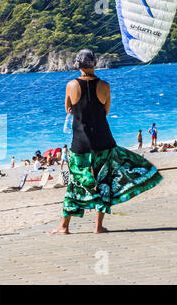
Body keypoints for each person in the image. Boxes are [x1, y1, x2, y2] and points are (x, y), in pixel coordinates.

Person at [49, 49, 162, 235]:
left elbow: (68, 108)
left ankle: (64, 226)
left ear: (78, 65)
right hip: (104, 141)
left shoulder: (71, 85)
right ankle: (98, 227)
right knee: (104, 182)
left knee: (76, 183)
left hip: (80, 143)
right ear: (94, 64)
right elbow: (105, 112)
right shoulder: (105, 86)